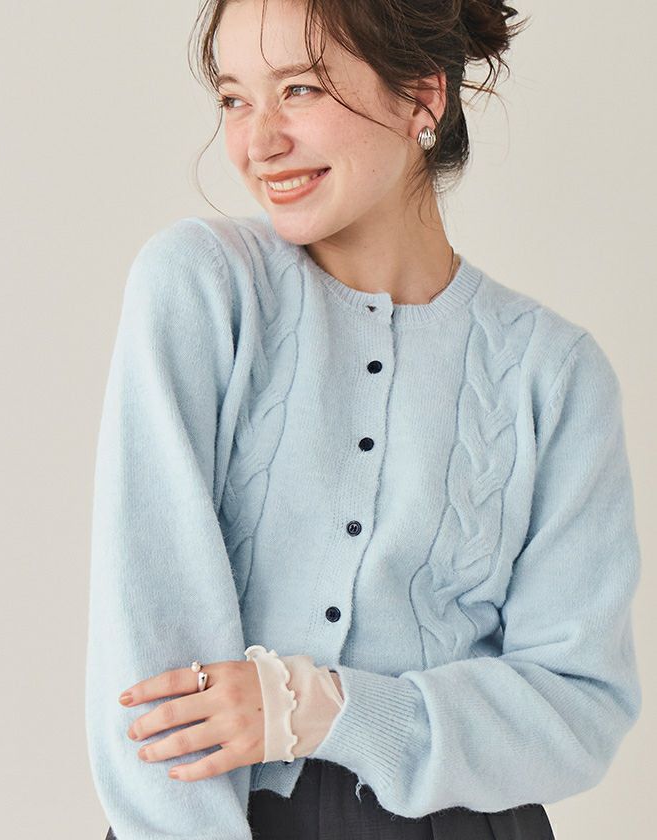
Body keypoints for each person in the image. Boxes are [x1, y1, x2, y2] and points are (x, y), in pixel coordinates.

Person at [86, 1, 643, 838]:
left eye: (299, 89)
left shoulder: (554, 372)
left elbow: (579, 707)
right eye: (234, 99)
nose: (258, 142)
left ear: (422, 95)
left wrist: (326, 709)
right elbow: (153, 666)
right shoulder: (204, 288)